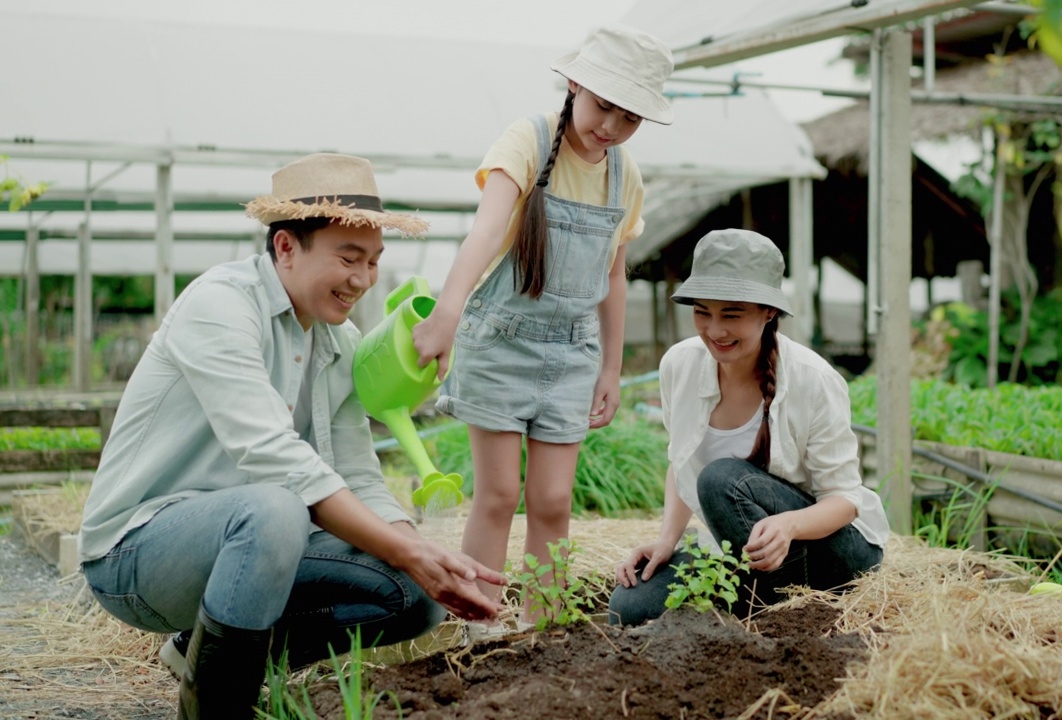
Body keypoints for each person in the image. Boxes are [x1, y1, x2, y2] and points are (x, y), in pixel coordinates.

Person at [79, 153, 505, 720]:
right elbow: (272, 457)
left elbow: (358, 474)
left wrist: (421, 553)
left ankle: (200, 655)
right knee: (276, 508)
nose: (362, 279)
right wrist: (406, 548)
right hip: (137, 553)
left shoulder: (341, 344)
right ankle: (215, 708)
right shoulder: (221, 305)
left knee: (416, 592)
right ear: (286, 247)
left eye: (374, 262)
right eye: (349, 258)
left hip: (257, 543)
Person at [411, 24, 674, 637]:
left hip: (572, 352)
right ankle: (475, 623)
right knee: (499, 494)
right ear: (575, 83)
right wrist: (446, 313)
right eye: (604, 104)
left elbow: (614, 274)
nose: (610, 126)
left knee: (553, 501)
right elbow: (485, 230)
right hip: (500, 341)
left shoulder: (624, 176)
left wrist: (610, 366)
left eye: (629, 117)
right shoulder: (526, 140)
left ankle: (543, 630)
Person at [610, 229, 891, 626]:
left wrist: (788, 524)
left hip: (834, 550)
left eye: (732, 314)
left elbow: (844, 499)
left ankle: (772, 610)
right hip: (749, 554)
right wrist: (666, 541)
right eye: (702, 312)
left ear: (769, 311)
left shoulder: (813, 379)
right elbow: (681, 460)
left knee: (721, 479)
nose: (715, 330)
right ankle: (754, 601)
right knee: (630, 606)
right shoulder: (679, 365)